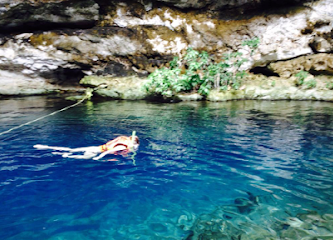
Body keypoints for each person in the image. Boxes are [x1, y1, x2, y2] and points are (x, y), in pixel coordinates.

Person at [34, 134, 139, 160]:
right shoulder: (122, 146)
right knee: (83, 158)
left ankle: (45, 147)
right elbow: (107, 152)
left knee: (71, 149)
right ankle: (66, 156)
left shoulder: (123, 140)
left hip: (95, 147)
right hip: (96, 152)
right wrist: (99, 157)